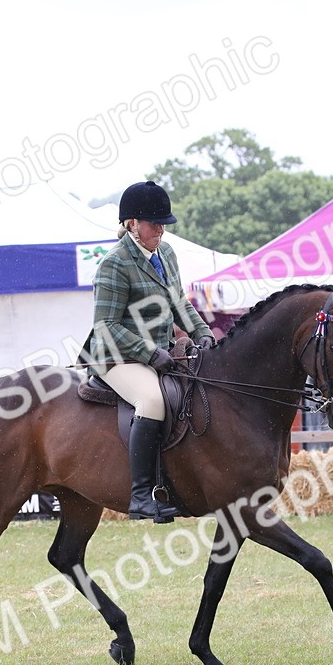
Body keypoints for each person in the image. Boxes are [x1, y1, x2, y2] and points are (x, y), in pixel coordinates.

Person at [79, 180, 216, 523]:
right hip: (116, 356)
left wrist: (205, 335)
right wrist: (149, 353)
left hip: (160, 351)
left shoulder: (165, 254)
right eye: (154, 224)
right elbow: (106, 326)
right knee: (152, 401)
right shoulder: (114, 263)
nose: (161, 230)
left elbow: (178, 302)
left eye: (163, 224)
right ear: (131, 224)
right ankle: (141, 495)